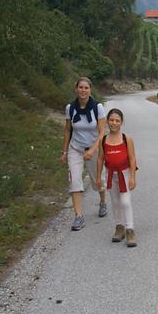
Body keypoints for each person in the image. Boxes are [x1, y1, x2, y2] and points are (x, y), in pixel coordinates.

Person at [60, 77, 107, 231]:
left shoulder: (97, 107)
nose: (83, 90)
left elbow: (101, 133)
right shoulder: (70, 108)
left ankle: (102, 202)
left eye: (86, 88)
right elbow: (68, 130)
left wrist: (93, 150)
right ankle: (78, 216)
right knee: (75, 181)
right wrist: (65, 151)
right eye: (80, 87)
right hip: (76, 148)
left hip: (94, 148)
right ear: (76, 89)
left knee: (98, 181)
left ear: (90, 90)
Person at [96, 108, 138, 247]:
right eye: (111, 120)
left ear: (121, 122)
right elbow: (100, 159)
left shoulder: (127, 139)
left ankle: (130, 229)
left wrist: (132, 177)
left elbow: (132, 159)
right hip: (110, 174)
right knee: (115, 202)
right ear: (107, 121)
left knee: (125, 201)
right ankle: (119, 227)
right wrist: (98, 177)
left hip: (124, 174)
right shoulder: (103, 140)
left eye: (117, 120)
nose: (114, 123)